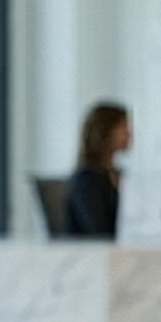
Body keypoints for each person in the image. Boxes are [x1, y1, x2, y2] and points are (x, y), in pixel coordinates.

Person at [64, 102, 128, 239]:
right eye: (123, 127)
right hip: (93, 256)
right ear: (105, 131)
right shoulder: (86, 180)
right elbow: (98, 231)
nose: (129, 133)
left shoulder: (119, 175)